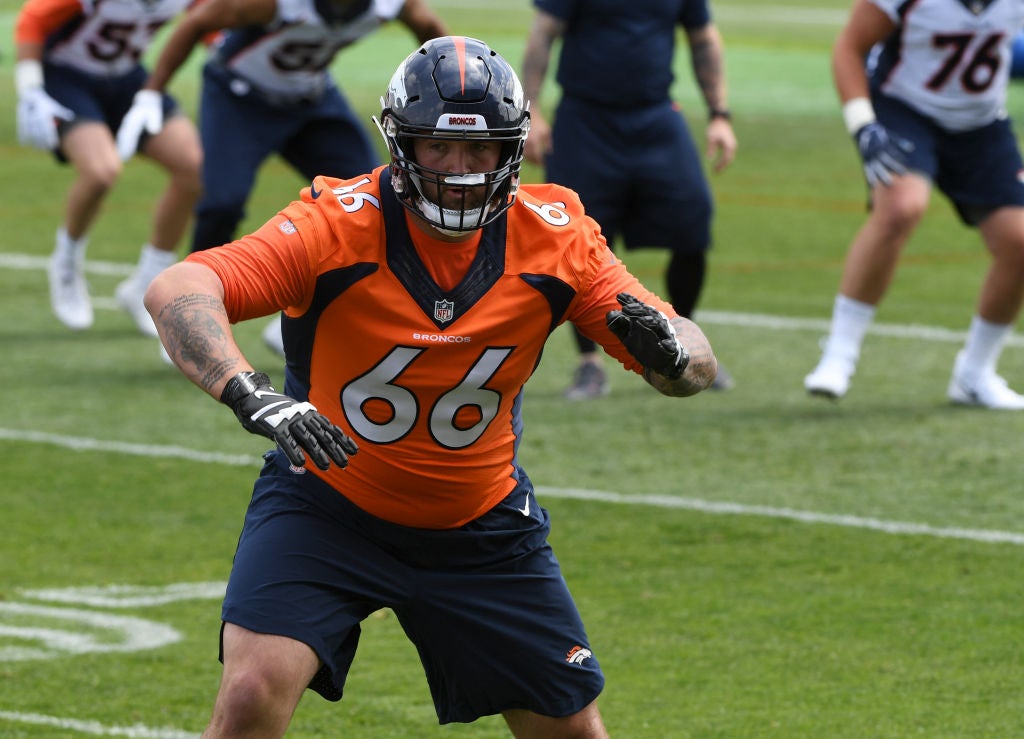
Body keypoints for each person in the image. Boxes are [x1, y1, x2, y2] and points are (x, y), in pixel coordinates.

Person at [145, 36, 717, 737]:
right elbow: (181, 285)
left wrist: (675, 355)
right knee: (251, 694)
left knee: (573, 731)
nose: (460, 171)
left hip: (481, 523)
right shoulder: (336, 224)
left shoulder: (556, 236)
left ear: (511, 150)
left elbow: (691, 357)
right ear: (401, 143)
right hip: (326, 505)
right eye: (438, 147)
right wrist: (250, 391)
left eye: (481, 151)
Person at [119, 0, 448, 355]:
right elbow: (198, 20)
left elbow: (433, 37)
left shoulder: (391, 4)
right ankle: (190, 309)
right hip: (239, 96)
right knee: (221, 203)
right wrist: (151, 92)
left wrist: (452, 87)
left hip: (310, 96)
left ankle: (302, 318)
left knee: (379, 203)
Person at [804, 0, 1024, 409]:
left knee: (1020, 241)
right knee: (902, 206)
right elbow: (849, 47)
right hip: (905, 109)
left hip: (981, 123)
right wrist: (863, 124)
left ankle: (975, 374)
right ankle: (839, 353)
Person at [520, 0, 737, 400]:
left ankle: (687, 347)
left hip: (654, 115)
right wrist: (531, 109)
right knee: (571, 240)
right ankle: (589, 365)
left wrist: (719, 115)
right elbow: (542, 34)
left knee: (693, 220)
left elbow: (703, 37)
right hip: (585, 119)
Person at [14, 0, 202, 335]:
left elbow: (215, 24)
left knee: (195, 168)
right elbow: (31, 21)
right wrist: (30, 89)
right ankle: (67, 262)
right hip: (66, 76)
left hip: (128, 79)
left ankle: (147, 281)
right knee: (101, 171)